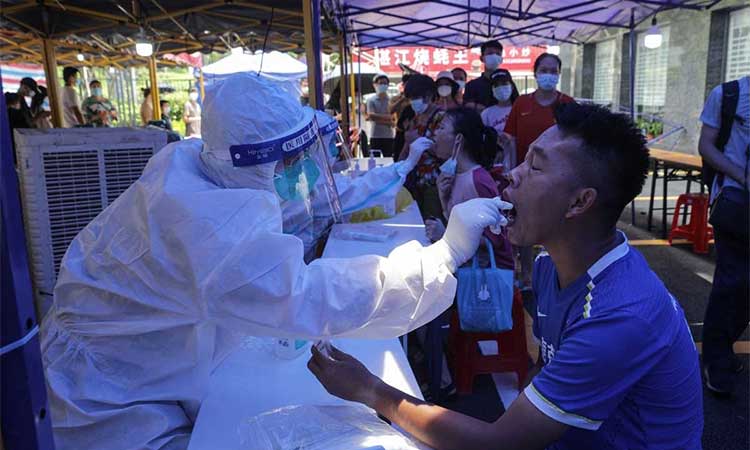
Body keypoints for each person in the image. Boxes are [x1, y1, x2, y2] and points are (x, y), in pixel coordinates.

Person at [40, 72, 509, 449]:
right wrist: (440, 257)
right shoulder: (207, 225)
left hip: (150, 363)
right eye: (288, 160)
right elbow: (306, 296)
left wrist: (396, 173)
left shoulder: (206, 166)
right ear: (257, 160)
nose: (297, 171)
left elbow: (314, 200)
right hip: (107, 398)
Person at [309, 103, 704, 450]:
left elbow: (499, 442)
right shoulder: (551, 268)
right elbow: (543, 370)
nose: (512, 174)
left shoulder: (622, 316)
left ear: (580, 202)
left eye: (535, 165)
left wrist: (368, 388)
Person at [502, 52, 574, 289]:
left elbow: (576, 142)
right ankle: (527, 275)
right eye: (544, 70)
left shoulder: (567, 104)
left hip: (556, 178)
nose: (549, 75)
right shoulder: (522, 103)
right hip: (525, 175)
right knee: (524, 224)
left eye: (553, 71)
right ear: (535, 73)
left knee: (555, 226)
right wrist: (511, 171)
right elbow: (510, 139)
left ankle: (553, 274)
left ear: (559, 75)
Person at [699, 75, 750, 396]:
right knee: (733, 279)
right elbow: (706, 145)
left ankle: (723, 348)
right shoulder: (729, 94)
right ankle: (716, 360)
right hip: (736, 200)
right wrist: (742, 176)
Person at [398, 74, 445, 219]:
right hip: (415, 180)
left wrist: (417, 139)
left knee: (432, 219)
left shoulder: (441, 117)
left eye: (416, 97)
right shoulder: (415, 118)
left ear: (429, 95)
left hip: (434, 182)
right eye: (410, 98)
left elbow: (443, 152)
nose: (413, 102)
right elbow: (407, 146)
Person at [481, 69, 519, 168]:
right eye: (496, 85)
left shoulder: (520, 109)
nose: (501, 88)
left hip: (519, 163)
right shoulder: (486, 114)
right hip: (497, 166)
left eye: (504, 83)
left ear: (511, 85)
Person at [463, 40, 504, 112]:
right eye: (490, 53)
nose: (494, 56)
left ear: (501, 59)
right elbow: (467, 106)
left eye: (498, 54)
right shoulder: (472, 85)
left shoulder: (507, 83)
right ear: (482, 58)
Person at [366, 73, 395, 157]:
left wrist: (376, 118)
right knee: (375, 160)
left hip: (389, 136)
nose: (383, 85)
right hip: (375, 136)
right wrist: (389, 120)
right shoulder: (371, 100)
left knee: (389, 159)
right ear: (375, 85)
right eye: (380, 83)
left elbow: (393, 118)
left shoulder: (391, 100)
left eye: (385, 83)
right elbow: (371, 115)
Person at [390, 73, 413, 158]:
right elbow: (390, 110)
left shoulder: (416, 98)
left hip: (413, 130)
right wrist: (403, 98)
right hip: (400, 131)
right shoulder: (396, 99)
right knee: (398, 155)